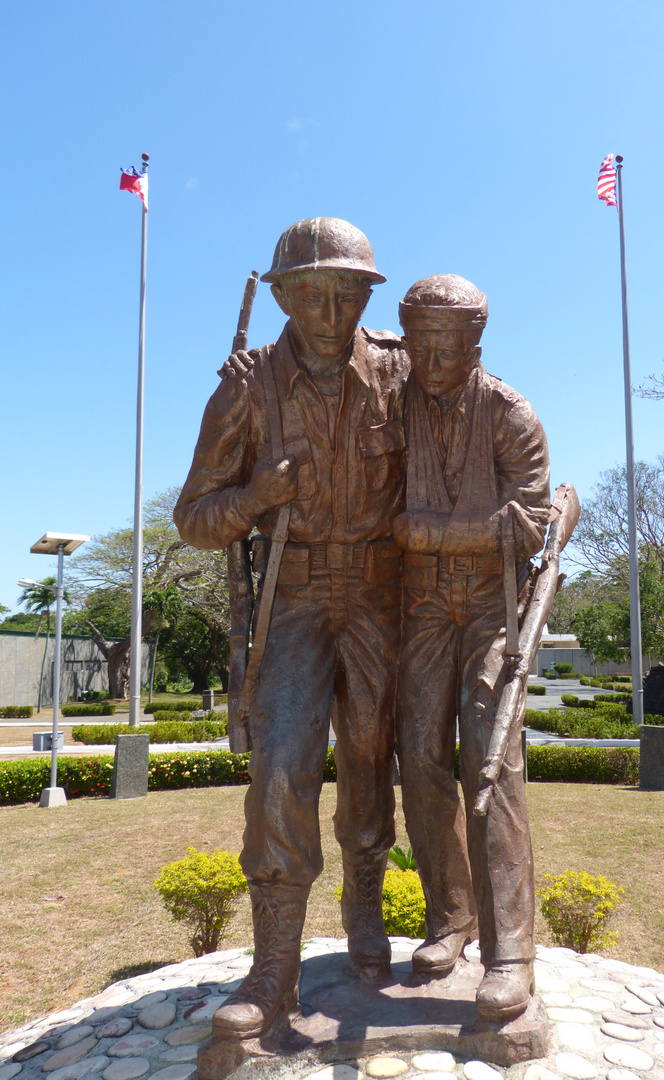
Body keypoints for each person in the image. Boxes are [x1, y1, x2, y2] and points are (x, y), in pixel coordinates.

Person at [174, 218, 409, 1040]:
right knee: (280, 771)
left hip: (383, 594)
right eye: (313, 293)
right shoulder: (245, 389)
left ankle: (366, 908)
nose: (331, 309)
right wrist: (254, 500)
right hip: (296, 597)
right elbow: (193, 518)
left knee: (376, 758)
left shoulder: (397, 371)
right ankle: (274, 966)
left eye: (347, 292)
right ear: (280, 295)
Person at [394, 274, 551, 1024]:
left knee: (492, 762)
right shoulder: (397, 407)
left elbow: (532, 523)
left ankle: (511, 951)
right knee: (419, 755)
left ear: (475, 346)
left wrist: (438, 533)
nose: (429, 359)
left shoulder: (511, 415)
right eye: (420, 344)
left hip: (492, 606)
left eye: (445, 346)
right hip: (422, 605)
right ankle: (449, 917)